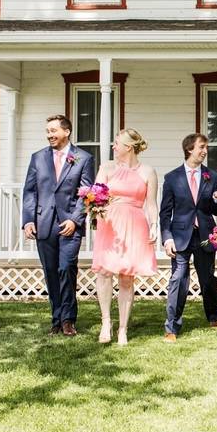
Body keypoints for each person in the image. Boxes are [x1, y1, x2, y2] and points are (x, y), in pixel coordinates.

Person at [22, 115, 95, 336]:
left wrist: (75, 219)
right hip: (43, 224)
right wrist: (28, 220)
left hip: (69, 224)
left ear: (67, 132)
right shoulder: (38, 158)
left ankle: (68, 319)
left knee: (66, 269)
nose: (49, 135)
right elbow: (29, 191)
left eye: (53, 130)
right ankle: (56, 319)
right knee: (51, 272)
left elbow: (87, 194)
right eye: (47, 131)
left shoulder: (83, 158)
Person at [91, 129, 159, 345]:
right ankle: (105, 322)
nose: (114, 147)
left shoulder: (148, 171)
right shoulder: (107, 168)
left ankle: (122, 328)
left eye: (117, 143)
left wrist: (154, 224)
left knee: (127, 277)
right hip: (110, 224)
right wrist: (93, 207)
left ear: (128, 147)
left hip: (135, 224)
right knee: (104, 272)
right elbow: (94, 196)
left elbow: (151, 204)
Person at [160, 133, 217, 342]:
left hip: (205, 235)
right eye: (202, 147)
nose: (205, 151)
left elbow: (215, 211)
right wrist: (166, 238)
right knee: (178, 279)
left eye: (206, 147)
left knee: (208, 279)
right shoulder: (172, 178)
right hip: (179, 236)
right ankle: (172, 327)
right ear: (190, 149)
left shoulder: (211, 176)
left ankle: (214, 317)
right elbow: (165, 213)